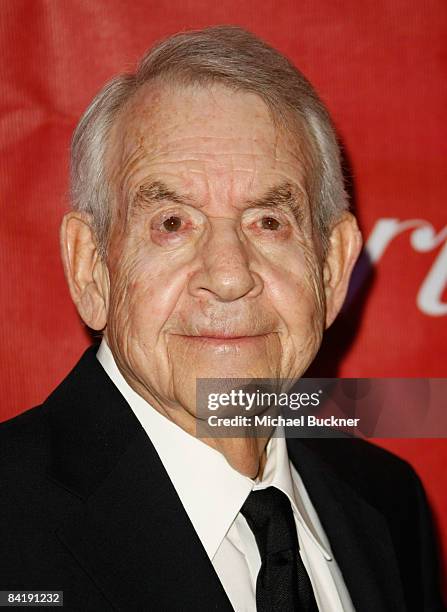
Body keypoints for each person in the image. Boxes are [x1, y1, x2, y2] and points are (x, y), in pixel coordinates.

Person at [0, 25, 442, 612]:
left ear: (333, 268)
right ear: (91, 268)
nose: (230, 276)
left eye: (269, 222)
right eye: (173, 223)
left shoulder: (387, 502)